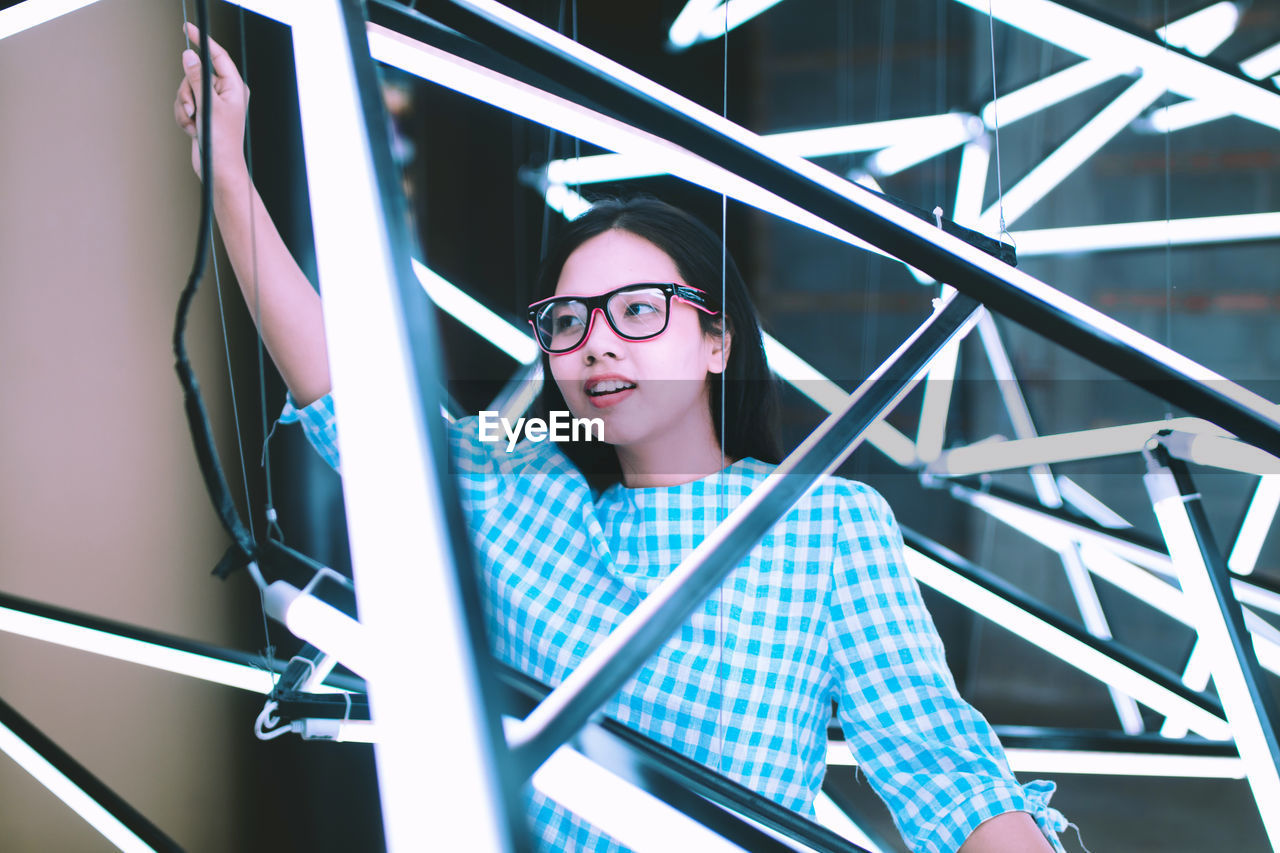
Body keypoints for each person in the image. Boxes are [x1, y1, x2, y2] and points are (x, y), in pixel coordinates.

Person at [175, 24, 1070, 853]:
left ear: (716, 341)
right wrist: (228, 179)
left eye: (638, 311)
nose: (596, 340)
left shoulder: (823, 523)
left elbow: (940, 763)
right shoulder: (512, 493)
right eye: (567, 320)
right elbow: (346, 397)